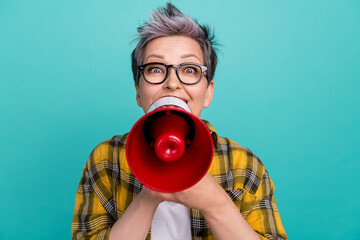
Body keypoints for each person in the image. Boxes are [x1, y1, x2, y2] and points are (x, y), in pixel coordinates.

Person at [71, 3, 288, 240]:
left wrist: (215, 204)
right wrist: (149, 197)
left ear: (208, 93)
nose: (172, 83)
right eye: (155, 69)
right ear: (138, 92)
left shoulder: (243, 165)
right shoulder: (106, 160)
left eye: (190, 70)